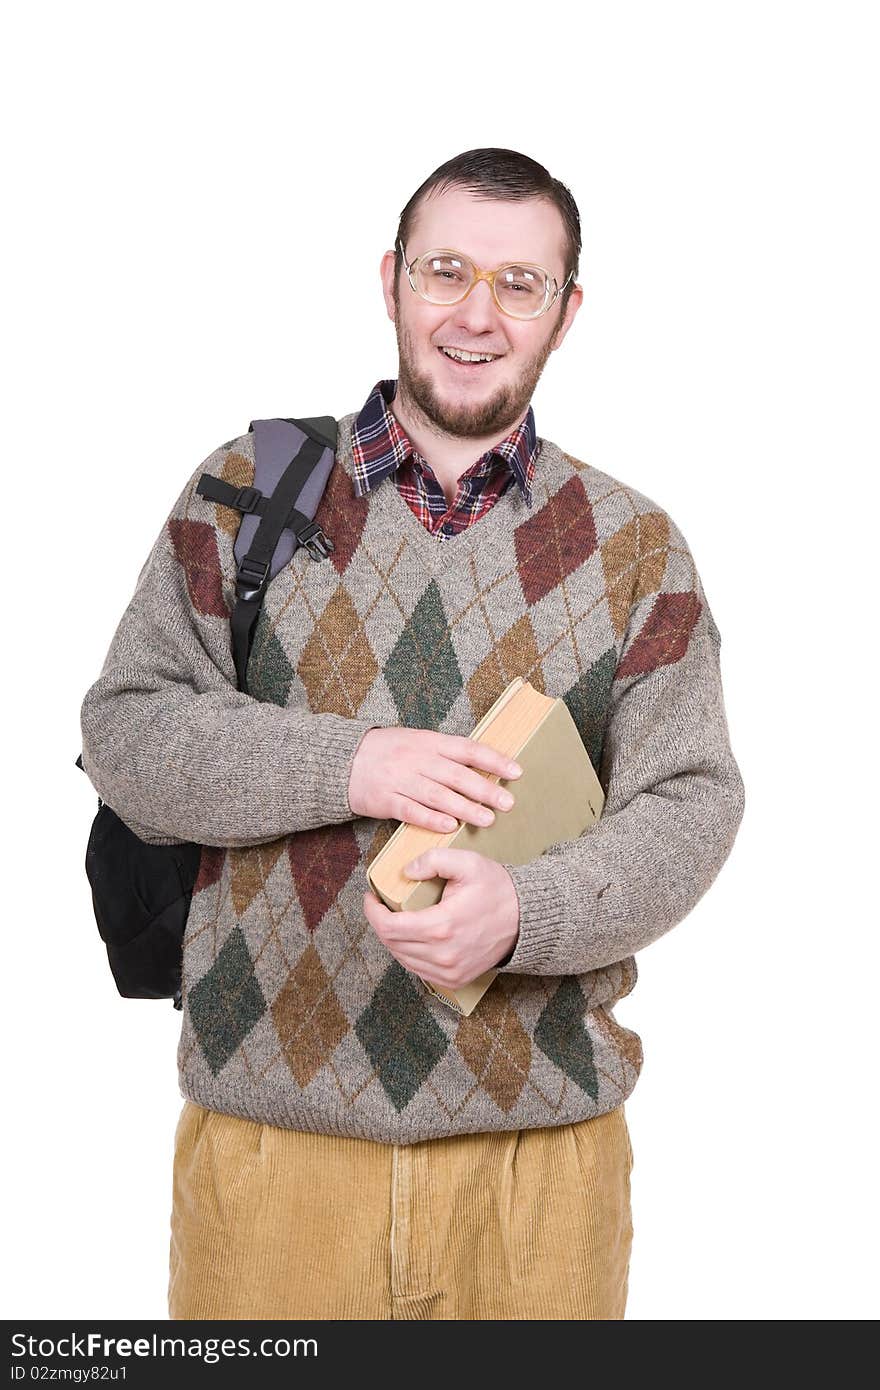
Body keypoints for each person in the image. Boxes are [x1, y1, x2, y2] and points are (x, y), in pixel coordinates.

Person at [79, 147, 745, 1320]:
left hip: (538, 1174)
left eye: (519, 283)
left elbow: (690, 802)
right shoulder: (244, 489)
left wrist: (525, 914)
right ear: (390, 280)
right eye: (446, 271)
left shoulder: (637, 546)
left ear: (566, 310)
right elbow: (129, 730)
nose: (476, 314)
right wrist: (353, 759)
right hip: (272, 1153)